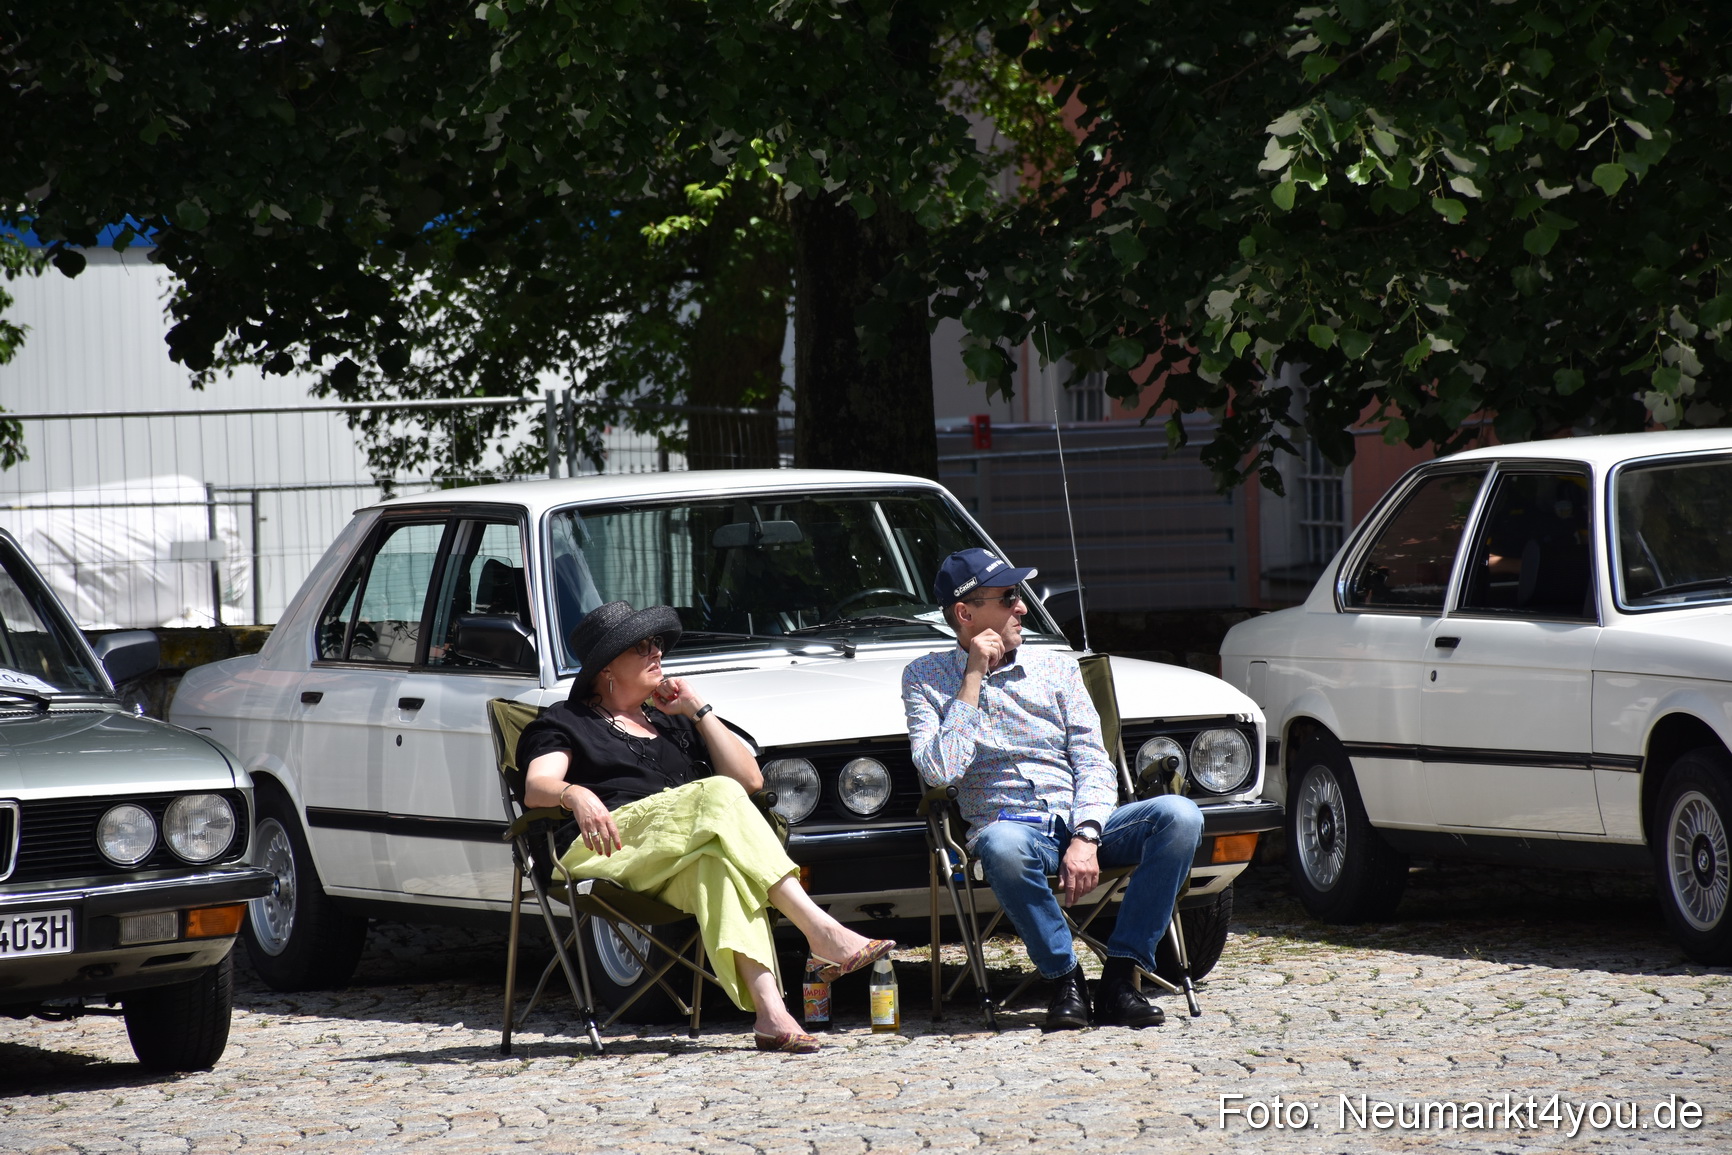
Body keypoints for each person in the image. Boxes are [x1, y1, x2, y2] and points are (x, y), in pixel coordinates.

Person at [519, 600, 893, 1053]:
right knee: (715, 792)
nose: (656, 652)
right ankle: (820, 930)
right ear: (606, 668)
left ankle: (771, 1014)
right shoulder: (567, 721)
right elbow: (537, 786)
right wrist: (574, 794)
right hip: (606, 847)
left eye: (657, 642)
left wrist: (698, 710)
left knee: (717, 866)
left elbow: (751, 781)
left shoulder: (670, 719)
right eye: (641, 646)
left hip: (672, 858)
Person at [901, 549, 1204, 1031]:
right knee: (1001, 844)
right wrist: (973, 675)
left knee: (1181, 815)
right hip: (1013, 834)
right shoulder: (924, 677)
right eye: (1008, 598)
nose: (1023, 608)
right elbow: (941, 772)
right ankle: (1066, 978)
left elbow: (1093, 761)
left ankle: (1121, 978)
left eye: (1019, 596)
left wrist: (1086, 834)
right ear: (965, 613)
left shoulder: (1058, 669)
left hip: (1083, 821)